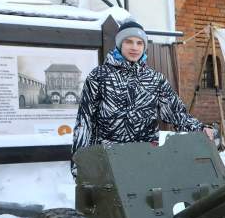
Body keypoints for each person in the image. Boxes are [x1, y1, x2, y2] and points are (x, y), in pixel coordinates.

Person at [71, 20, 213, 176]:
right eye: (129, 42)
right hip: (109, 159)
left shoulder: (155, 79)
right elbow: (84, 120)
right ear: (119, 44)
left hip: (146, 158)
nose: (134, 47)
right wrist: (80, 162)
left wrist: (199, 128)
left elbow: (176, 112)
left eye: (139, 43)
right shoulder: (99, 76)